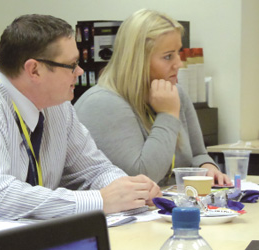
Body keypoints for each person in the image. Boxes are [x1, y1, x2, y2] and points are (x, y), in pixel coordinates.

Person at [0, 14, 161, 222]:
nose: (80, 71)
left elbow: (94, 170)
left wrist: (131, 191)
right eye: (72, 65)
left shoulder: (58, 105)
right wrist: (100, 200)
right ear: (34, 70)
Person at [74, 9, 232, 187]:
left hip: (172, 205)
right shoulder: (102, 103)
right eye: (167, 56)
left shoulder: (175, 92)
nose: (178, 64)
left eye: (178, 53)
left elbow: (197, 154)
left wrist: (208, 166)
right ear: (137, 60)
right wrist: (168, 115)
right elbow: (143, 176)